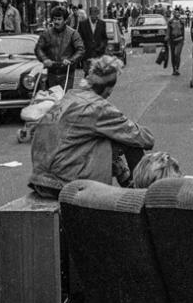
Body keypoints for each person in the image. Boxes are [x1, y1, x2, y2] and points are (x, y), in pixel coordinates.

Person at [28, 56, 154, 199]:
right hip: (63, 183)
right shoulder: (97, 107)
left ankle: (128, 184)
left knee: (103, 137)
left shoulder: (70, 96)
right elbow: (145, 139)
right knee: (127, 141)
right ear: (108, 90)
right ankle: (140, 197)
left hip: (40, 179)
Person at [35, 7, 85, 89]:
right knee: (52, 95)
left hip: (67, 72)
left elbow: (80, 50)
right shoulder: (47, 33)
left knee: (65, 95)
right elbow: (38, 48)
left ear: (65, 20)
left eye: (59, 19)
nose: (56, 22)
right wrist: (44, 59)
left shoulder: (73, 34)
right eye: (54, 19)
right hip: (51, 72)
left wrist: (70, 60)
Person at [77, 5, 109, 77]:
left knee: (98, 74)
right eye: (93, 13)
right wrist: (82, 50)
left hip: (99, 54)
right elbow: (79, 39)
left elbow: (105, 38)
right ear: (90, 14)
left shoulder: (102, 23)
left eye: (97, 13)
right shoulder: (83, 24)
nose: (95, 15)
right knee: (88, 74)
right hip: (87, 54)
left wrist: (101, 47)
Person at [165, 8, 187, 76]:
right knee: (173, 55)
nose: (177, 14)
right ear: (174, 13)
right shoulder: (170, 22)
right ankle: (174, 69)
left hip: (180, 40)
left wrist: (183, 40)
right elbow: (168, 31)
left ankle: (177, 68)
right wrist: (167, 38)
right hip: (172, 40)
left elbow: (183, 32)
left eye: (178, 13)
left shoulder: (181, 22)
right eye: (176, 12)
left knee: (177, 54)